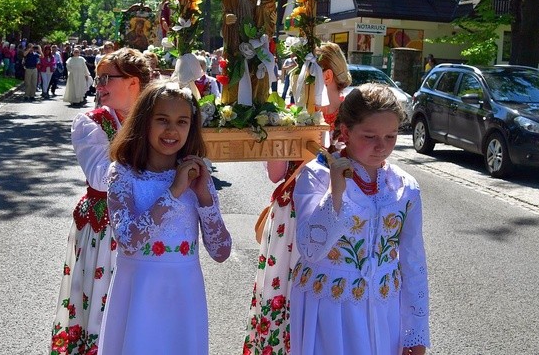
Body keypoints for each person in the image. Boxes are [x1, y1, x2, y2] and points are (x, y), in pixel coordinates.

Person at [290, 83, 430, 355]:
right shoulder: (316, 176)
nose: (381, 146)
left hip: (384, 308)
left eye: (391, 137)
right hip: (329, 307)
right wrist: (336, 193)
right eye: (369, 136)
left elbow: (413, 261)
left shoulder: (404, 188)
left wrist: (416, 333)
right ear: (345, 132)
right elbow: (310, 249)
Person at [97, 79, 232, 355]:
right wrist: (172, 193)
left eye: (182, 122)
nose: (172, 130)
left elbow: (221, 252)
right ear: (144, 122)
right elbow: (128, 240)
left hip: (184, 293)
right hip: (138, 292)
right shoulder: (122, 173)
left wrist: (205, 198)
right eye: (162, 120)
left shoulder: (196, 176)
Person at [243, 42, 352, 355]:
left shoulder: (353, 116)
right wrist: (275, 133)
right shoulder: (294, 115)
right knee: (282, 292)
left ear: (325, 75)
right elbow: (276, 174)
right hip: (288, 220)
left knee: (324, 297)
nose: (296, 80)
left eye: (304, 73)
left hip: (333, 214)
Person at [51, 48, 153, 355]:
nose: (100, 84)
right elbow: (98, 177)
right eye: (98, 77)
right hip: (105, 230)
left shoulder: (157, 119)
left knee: (142, 308)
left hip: (148, 227)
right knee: (103, 307)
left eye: (108, 77)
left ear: (133, 83)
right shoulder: (91, 122)